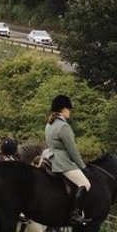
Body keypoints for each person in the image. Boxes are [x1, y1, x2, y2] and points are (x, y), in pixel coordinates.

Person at [43, 95, 90, 224]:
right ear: (63, 109)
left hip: (49, 156)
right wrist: (82, 166)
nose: (70, 111)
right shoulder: (64, 127)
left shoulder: (49, 124)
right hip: (61, 161)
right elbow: (72, 150)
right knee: (85, 184)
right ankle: (75, 214)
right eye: (69, 109)